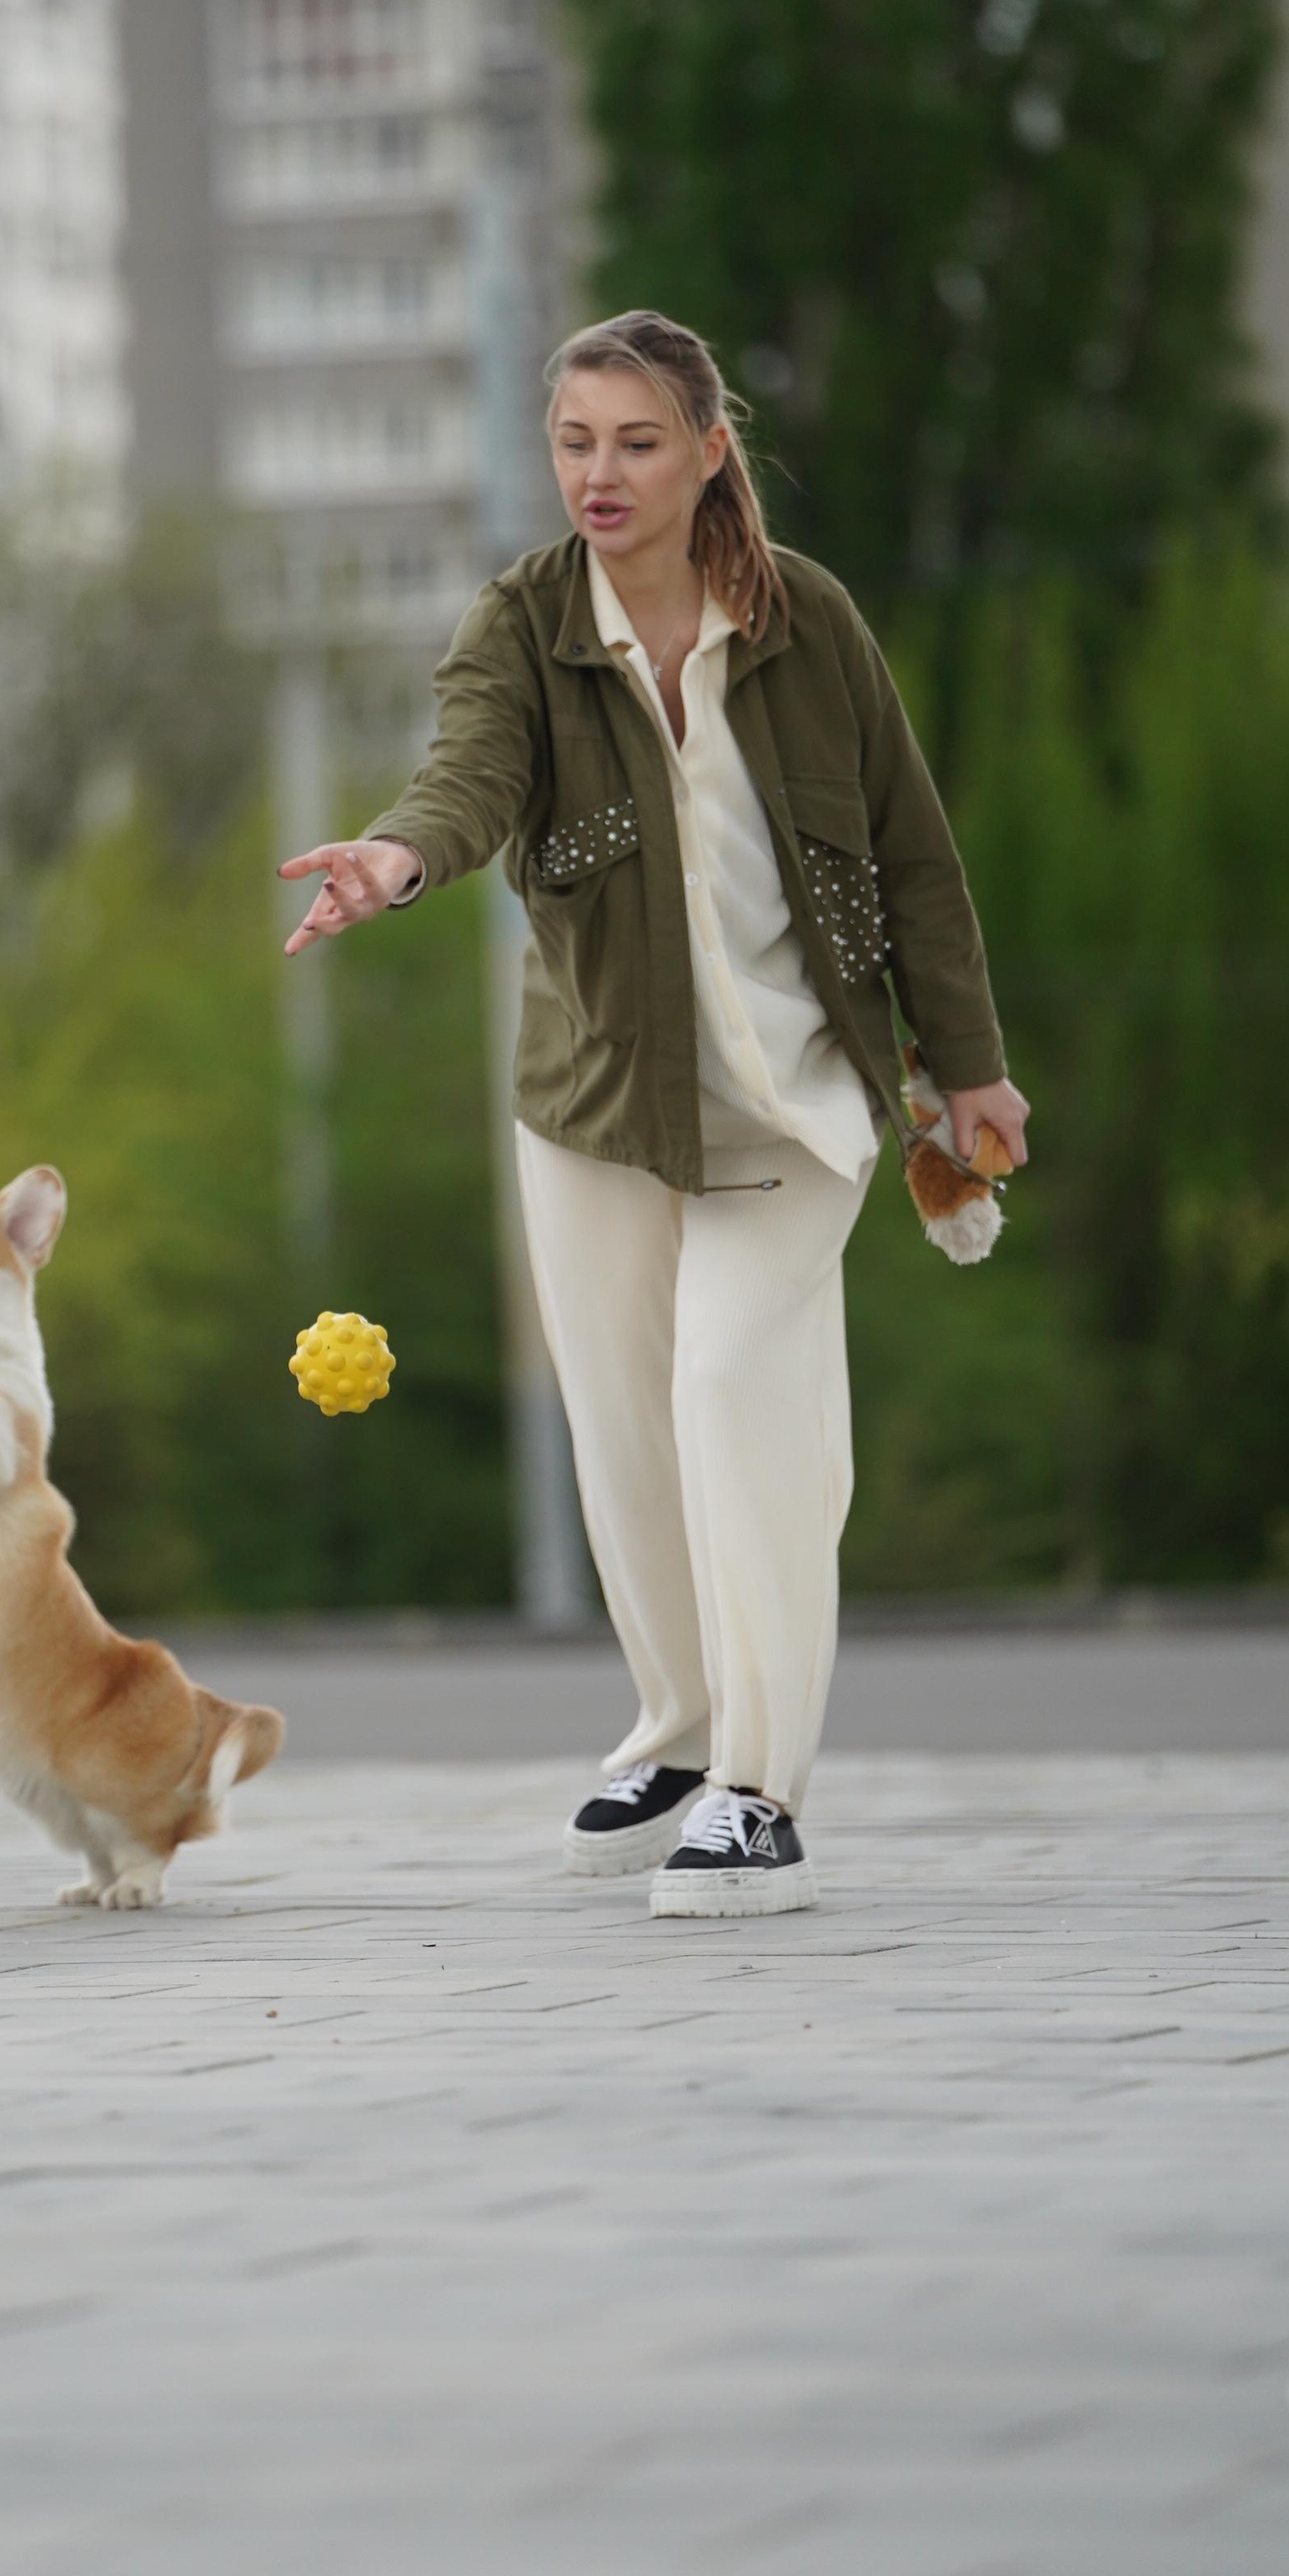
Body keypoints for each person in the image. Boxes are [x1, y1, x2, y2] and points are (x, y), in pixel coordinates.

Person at [280, 309, 1028, 1917]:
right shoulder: (523, 624)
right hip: (601, 1095)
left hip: (799, 1089)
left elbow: (913, 852)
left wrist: (967, 1062)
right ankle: (683, 1730)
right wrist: (395, 862)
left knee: (728, 1392)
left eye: (634, 441)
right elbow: (467, 777)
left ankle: (761, 1787)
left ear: (706, 451)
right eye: (572, 443)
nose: (599, 475)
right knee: (623, 1436)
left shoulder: (806, 621)